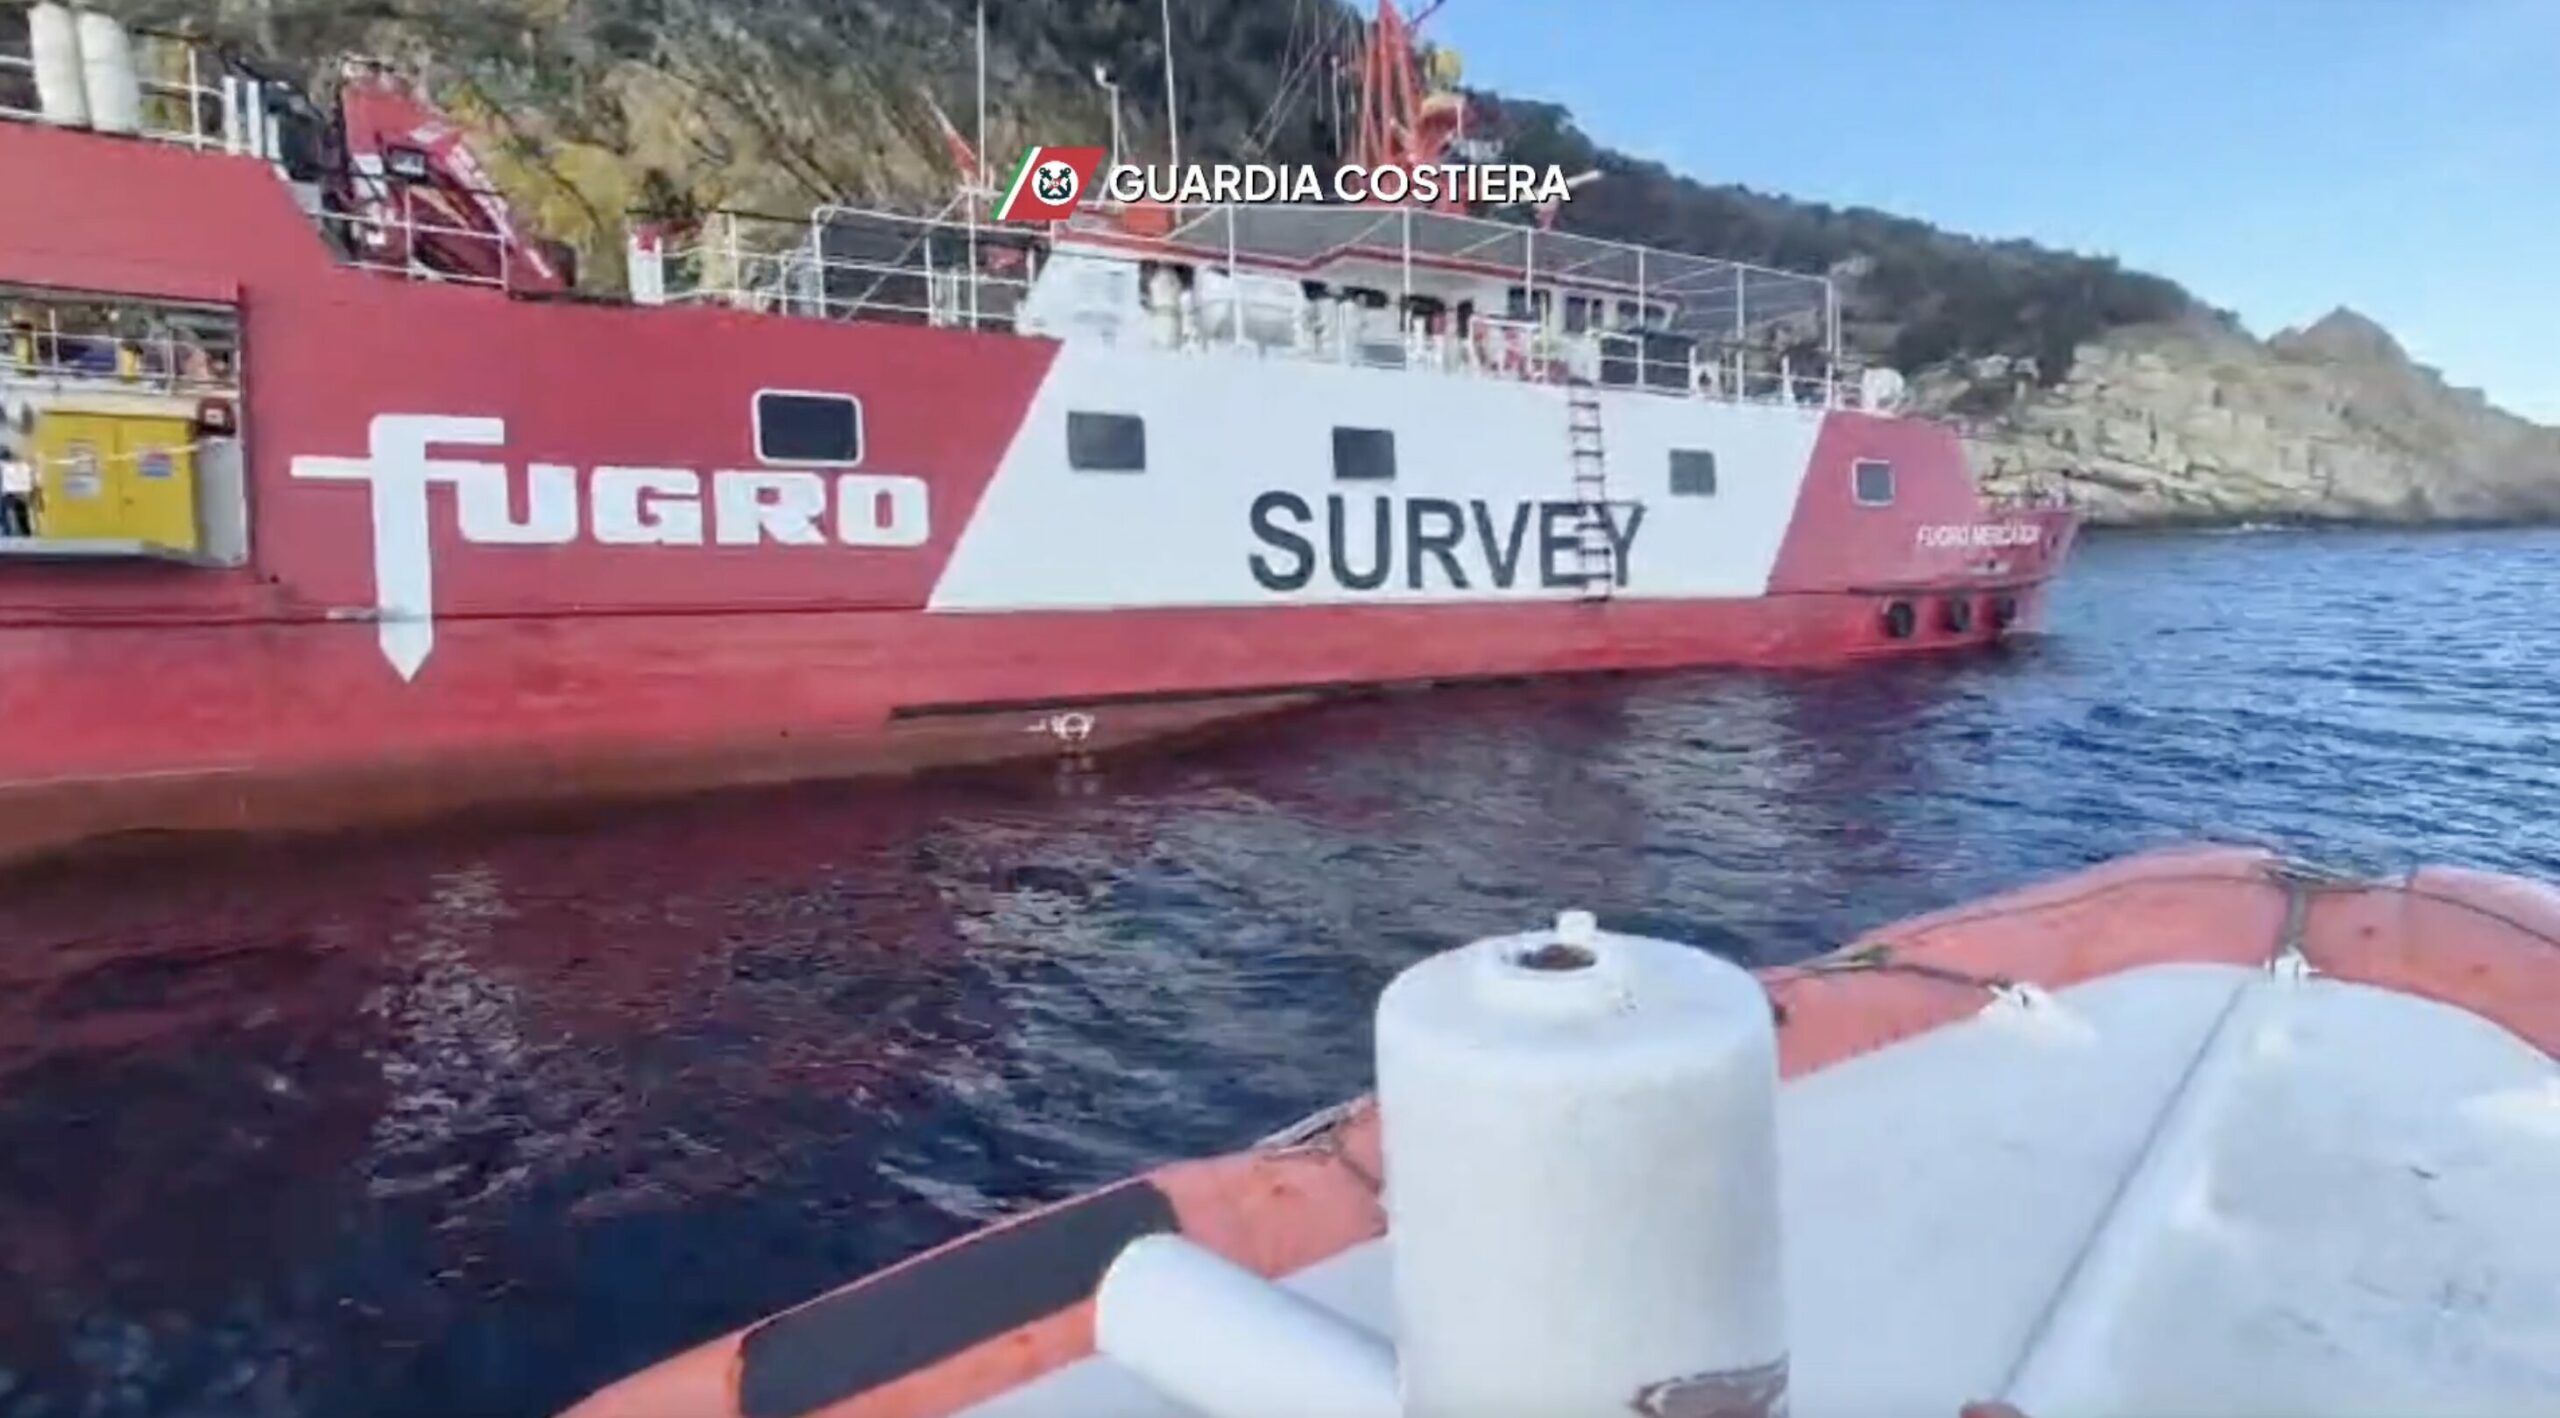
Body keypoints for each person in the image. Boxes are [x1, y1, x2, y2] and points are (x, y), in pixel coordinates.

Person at [0, 443, 36, 537]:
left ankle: (10, 532)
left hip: (12, 493)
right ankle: (21, 533)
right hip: (17, 493)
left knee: (9, 514)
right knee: (19, 515)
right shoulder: (18, 464)